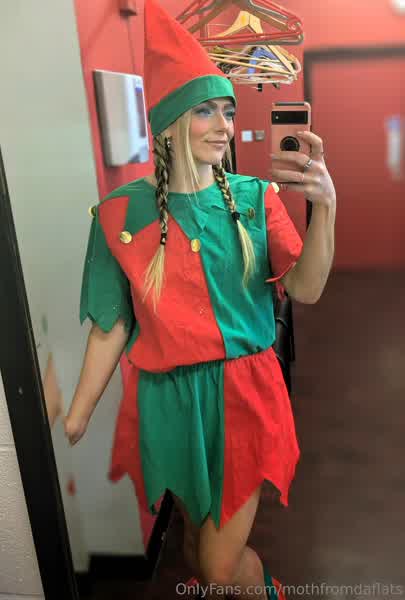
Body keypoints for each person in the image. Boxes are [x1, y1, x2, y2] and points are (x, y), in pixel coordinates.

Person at [64, 0, 336, 598]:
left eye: (228, 111)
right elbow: (112, 323)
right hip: (169, 402)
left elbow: (307, 288)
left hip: (243, 395)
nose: (224, 126)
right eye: (205, 110)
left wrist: (326, 207)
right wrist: (77, 411)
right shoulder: (118, 215)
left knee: (216, 567)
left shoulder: (255, 198)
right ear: (168, 122)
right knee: (194, 546)